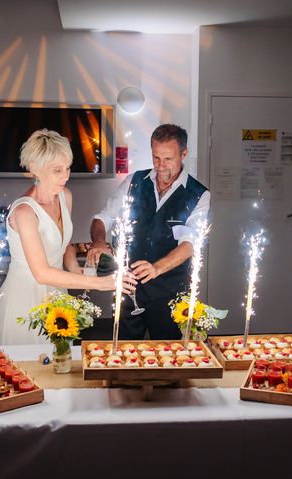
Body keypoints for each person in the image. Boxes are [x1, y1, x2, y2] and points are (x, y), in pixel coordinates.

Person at [0, 129, 135, 345]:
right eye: (57, 170)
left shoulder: (64, 196)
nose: (66, 176)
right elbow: (41, 273)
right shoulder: (24, 212)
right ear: (35, 169)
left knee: (59, 361)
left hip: (57, 289)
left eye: (68, 168)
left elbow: (64, 242)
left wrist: (74, 268)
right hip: (25, 296)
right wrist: (100, 283)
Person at [87, 124, 210, 340]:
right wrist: (98, 241)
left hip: (169, 293)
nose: (161, 166)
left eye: (168, 159)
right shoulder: (133, 182)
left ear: (184, 153)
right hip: (127, 287)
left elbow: (190, 243)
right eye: (156, 158)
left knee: (167, 356)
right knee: (122, 352)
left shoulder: (198, 195)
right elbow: (103, 218)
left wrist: (156, 268)